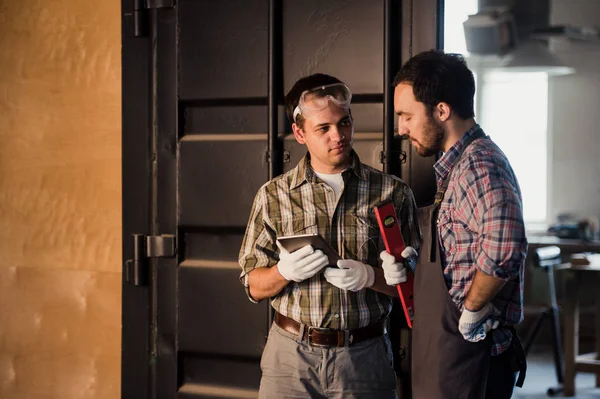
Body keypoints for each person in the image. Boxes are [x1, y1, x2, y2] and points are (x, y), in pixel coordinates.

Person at [238, 73, 420, 398]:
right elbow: (252, 285)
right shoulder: (273, 196)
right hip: (289, 361)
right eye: (323, 128)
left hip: (364, 359)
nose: (339, 135)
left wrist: (370, 276)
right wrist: (283, 272)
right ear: (300, 133)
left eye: (344, 122)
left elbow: (414, 289)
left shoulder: (393, 193)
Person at [386, 50, 528, 398]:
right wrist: (419, 266)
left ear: (442, 111)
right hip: (448, 356)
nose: (400, 128)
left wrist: (473, 307)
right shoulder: (457, 166)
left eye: (406, 115)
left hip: (473, 360)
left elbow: (505, 247)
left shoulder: (478, 165)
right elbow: (466, 250)